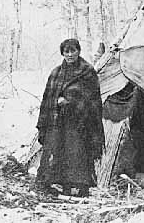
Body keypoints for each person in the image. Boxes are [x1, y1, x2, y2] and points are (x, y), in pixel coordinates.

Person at [36, 38, 104, 197]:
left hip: (80, 122)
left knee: (78, 153)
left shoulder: (87, 71)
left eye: (73, 50)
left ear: (78, 51)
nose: (70, 54)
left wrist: (69, 102)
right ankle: (62, 187)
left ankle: (82, 188)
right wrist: (55, 103)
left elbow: (92, 98)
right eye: (66, 51)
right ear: (62, 53)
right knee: (58, 152)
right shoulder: (56, 72)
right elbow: (47, 98)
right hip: (57, 121)